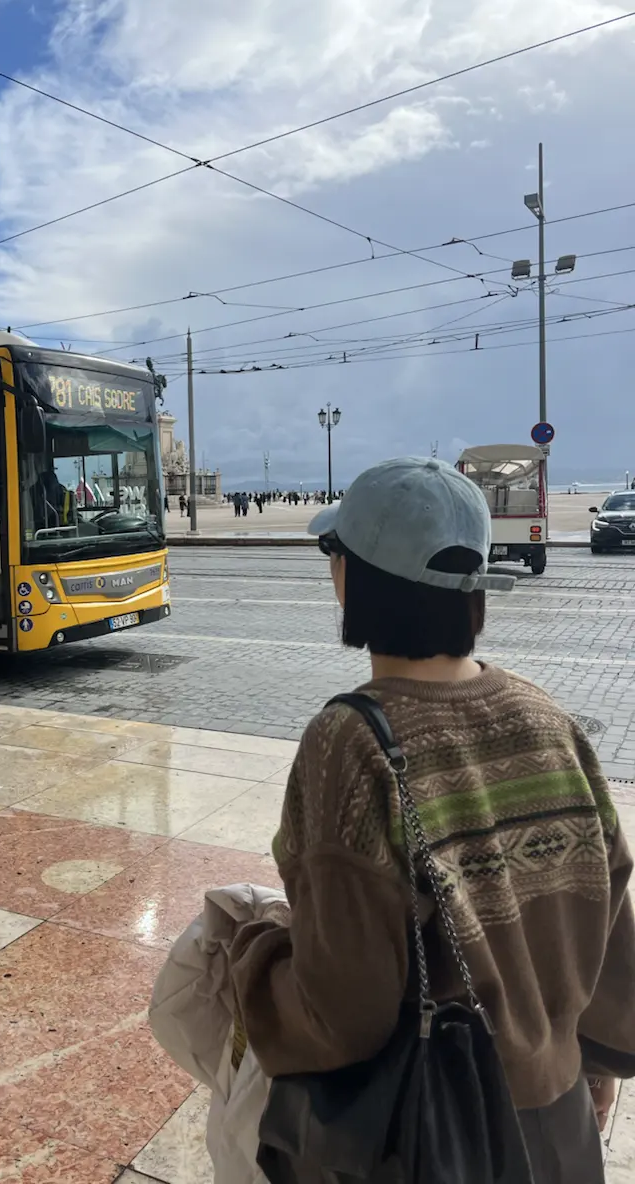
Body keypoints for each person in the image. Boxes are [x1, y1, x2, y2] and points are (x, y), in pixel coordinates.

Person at [230, 456, 635, 1183]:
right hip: (563, 1132)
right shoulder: (551, 722)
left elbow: (345, 1013)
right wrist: (582, 1058)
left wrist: (254, 957)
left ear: (359, 579)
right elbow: (611, 950)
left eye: (336, 552)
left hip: (438, 1139)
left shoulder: (350, 743)